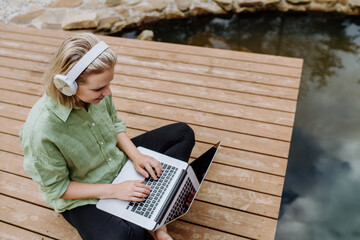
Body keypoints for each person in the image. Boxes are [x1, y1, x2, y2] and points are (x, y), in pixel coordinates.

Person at [19, 33, 195, 240]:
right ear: (68, 86)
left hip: (117, 162)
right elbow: (58, 188)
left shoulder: (96, 95)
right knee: (123, 236)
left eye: (108, 84)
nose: (108, 92)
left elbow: (114, 125)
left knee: (183, 134)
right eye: (100, 88)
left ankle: (155, 217)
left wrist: (136, 156)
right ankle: (153, 208)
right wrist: (115, 191)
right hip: (84, 195)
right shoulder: (40, 131)